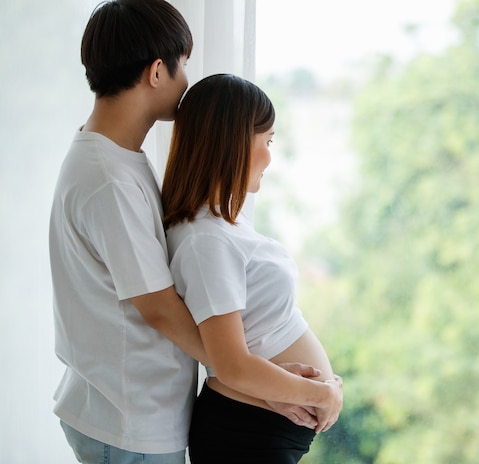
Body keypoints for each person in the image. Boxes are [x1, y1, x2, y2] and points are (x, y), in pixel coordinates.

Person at [49, 2, 319, 463]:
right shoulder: (109, 178)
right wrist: (259, 383)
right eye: (185, 65)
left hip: (135, 414)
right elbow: (158, 309)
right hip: (130, 423)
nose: (187, 80)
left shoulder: (117, 160)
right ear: (158, 71)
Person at [161, 73, 344, 463]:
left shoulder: (217, 226)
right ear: (234, 142)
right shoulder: (205, 240)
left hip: (256, 431)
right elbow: (231, 363)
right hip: (246, 437)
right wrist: (321, 394)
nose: (271, 156)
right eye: (268, 140)